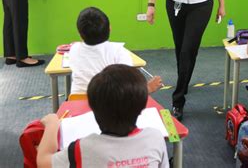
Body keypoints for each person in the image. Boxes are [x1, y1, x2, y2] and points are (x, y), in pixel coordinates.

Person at [36, 64, 169, 168]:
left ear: (93, 108)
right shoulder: (155, 138)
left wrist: (52, 125)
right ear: (141, 108)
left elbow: (43, 162)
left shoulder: (83, 147)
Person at [69, 7, 162, 94]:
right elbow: (129, 87)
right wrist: (147, 88)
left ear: (80, 34)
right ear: (110, 28)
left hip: (77, 103)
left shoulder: (74, 49)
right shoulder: (119, 51)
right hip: (110, 104)